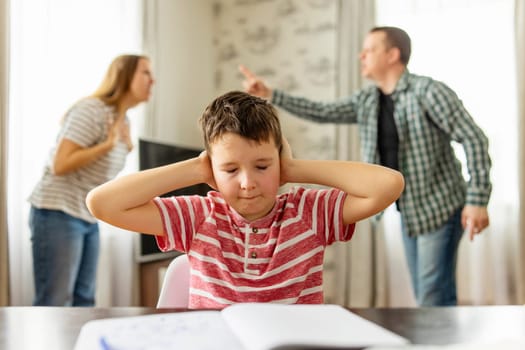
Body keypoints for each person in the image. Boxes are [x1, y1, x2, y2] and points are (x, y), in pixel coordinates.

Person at [239, 26, 492, 307]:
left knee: (433, 295)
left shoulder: (428, 92)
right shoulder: (368, 100)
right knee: (426, 293)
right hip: (413, 211)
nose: (361, 55)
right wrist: (271, 94)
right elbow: (323, 111)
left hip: (442, 205)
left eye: (369, 49)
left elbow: (474, 138)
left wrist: (477, 200)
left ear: (392, 55)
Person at [86, 90, 404, 309]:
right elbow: (102, 203)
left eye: (263, 166)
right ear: (212, 167)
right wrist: (195, 169)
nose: (248, 183)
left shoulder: (309, 213)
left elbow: (388, 185)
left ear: (279, 160)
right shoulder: (198, 217)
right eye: (230, 169)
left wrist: (293, 168)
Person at [28, 54, 155, 306]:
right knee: (54, 301)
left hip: (86, 215)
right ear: (125, 75)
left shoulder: (123, 120)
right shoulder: (92, 109)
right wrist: (107, 146)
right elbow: (60, 164)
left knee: (85, 299)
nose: (153, 80)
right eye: (146, 73)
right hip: (57, 211)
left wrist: (124, 146)